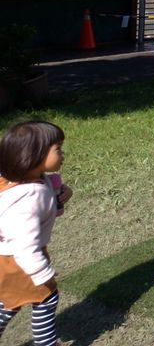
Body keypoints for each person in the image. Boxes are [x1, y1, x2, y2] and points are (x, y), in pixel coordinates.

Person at [0, 121, 72, 346]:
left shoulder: (23, 180)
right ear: (33, 156)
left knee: (9, 302)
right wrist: (42, 273)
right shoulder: (29, 199)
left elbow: (45, 189)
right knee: (46, 298)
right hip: (21, 262)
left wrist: (60, 192)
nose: (62, 154)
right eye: (57, 149)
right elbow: (24, 245)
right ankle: (47, 343)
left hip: (7, 260)